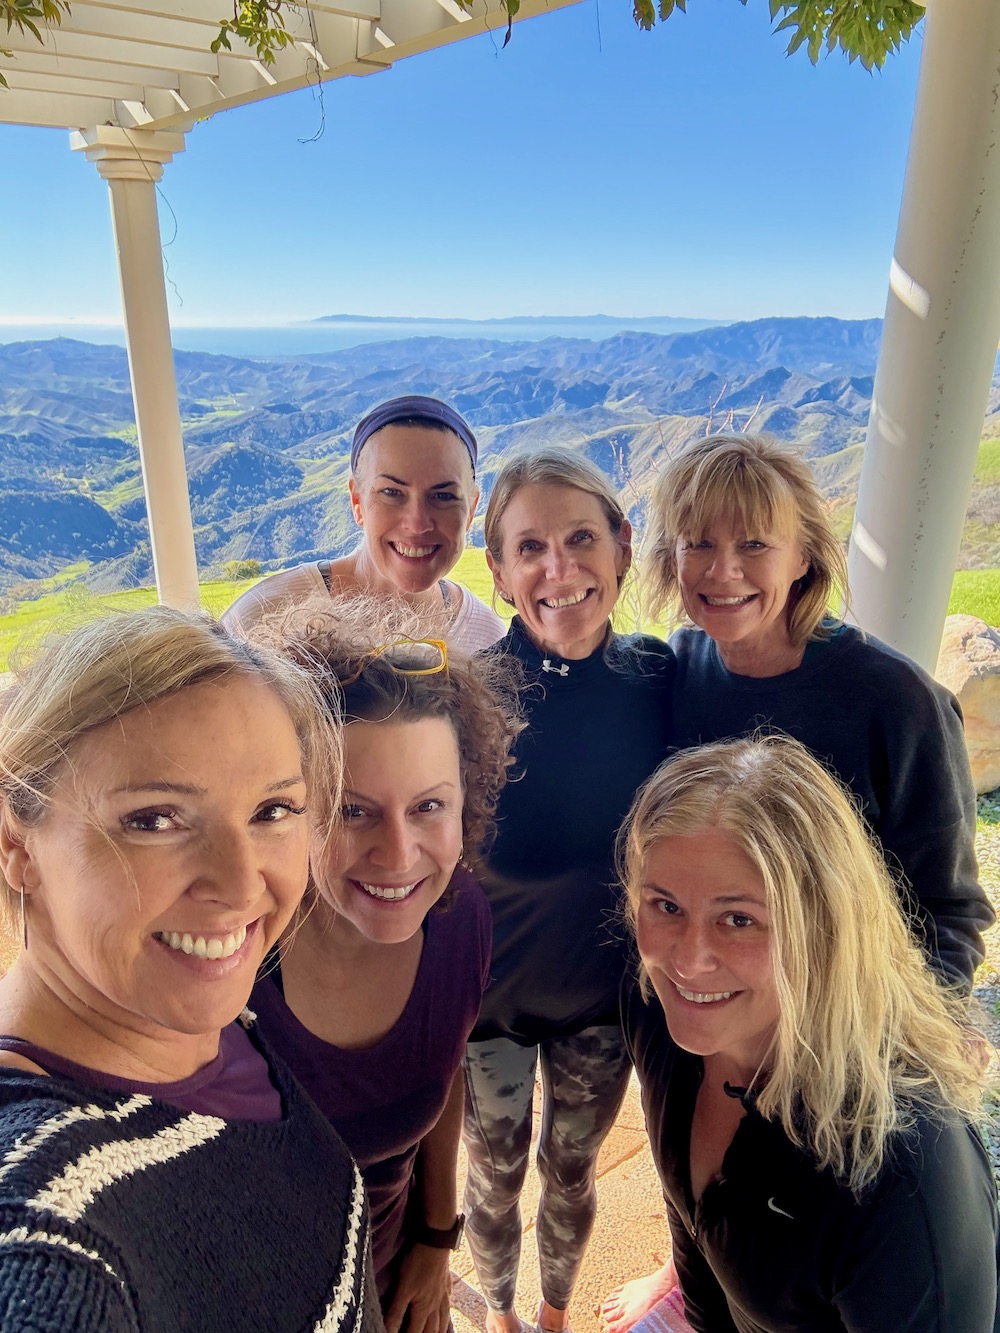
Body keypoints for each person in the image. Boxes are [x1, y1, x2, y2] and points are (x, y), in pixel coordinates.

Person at [603, 431, 994, 1331]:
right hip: (738, 999)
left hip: (849, 1027)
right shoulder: (684, 670)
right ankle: (700, 1260)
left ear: (807, 553)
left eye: (753, 543)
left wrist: (895, 1050)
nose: (722, 569)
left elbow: (950, 905)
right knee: (712, 1156)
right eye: (698, 542)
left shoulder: (896, 701)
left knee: (839, 1228)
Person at [0, 606, 381, 1333]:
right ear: (17, 844)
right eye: (154, 819)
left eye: (273, 809)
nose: (239, 886)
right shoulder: (46, 1226)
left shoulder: (202, 1023)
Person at [618, 734, 998, 1333]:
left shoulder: (903, 1173)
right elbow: (692, 1223)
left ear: (823, 930)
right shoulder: (659, 1013)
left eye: (738, 919)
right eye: (665, 906)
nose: (688, 961)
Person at [248, 598, 519, 1333]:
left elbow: (443, 1062)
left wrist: (435, 1238)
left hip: (392, 1277)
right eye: (352, 810)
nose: (399, 857)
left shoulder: (458, 918)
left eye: (429, 807)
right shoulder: (235, 959)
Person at [463, 450, 675, 1333]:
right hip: (489, 1011)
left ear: (622, 545)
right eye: (531, 547)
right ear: (498, 569)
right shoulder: (468, 698)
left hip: (603, 1005)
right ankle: (502, 1315)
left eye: (582, 538)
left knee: (573, 1172)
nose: (561, 568)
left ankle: (552, 1315)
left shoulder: (660, 681)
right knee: (494, 1178)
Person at [224, 394, 505, 652]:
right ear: (357, 501)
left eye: (443, 496)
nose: (417, 523)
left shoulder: (486, 639)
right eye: (392, 492)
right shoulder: (263, 619)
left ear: (471, 510)